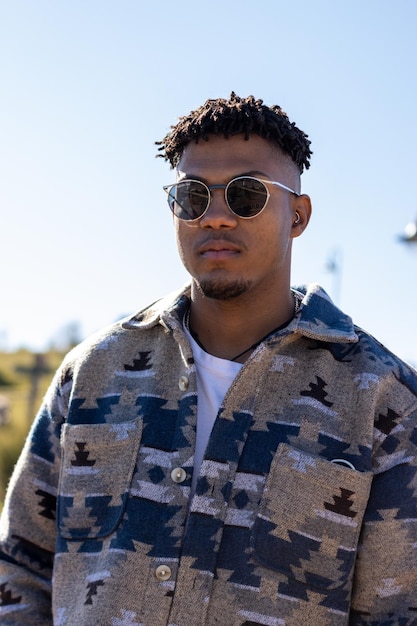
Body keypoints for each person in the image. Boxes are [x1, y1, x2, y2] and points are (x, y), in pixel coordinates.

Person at [0, 92, 416, 626]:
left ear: (298, 214)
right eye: (193, 197)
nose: (215, 217)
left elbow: (397, 611)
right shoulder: (92, 374)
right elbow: (20, 565)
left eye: (246, 195)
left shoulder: (383, 399)